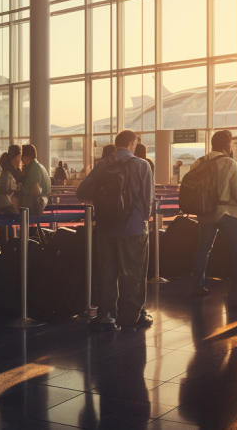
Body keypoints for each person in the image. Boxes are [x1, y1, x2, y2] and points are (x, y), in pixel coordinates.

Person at [77, 129, 154, 331]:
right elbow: (147, 201)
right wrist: (142, 220)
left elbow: (82, 191)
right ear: (132, 143)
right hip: (133, 228)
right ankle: (132, 317)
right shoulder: (142, 166)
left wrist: (102, 199)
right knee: (135, 273)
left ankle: (106, 316)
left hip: (105, 228)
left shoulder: (103, 166)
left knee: (107, 273)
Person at [189, 130, 237, 305]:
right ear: (227, 145)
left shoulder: (199, 163)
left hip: (205, 213)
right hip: (227, 213)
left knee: (203, 249)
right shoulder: (230, 163)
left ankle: (197, 285)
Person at [19, 144, 51, 217]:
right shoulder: (39, 166)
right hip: (44, 201)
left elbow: (35, 191)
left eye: (21, 157)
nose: (21, 160)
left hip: (37, 205)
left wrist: (21, 188)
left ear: (26, 157)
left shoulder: (33, 168)